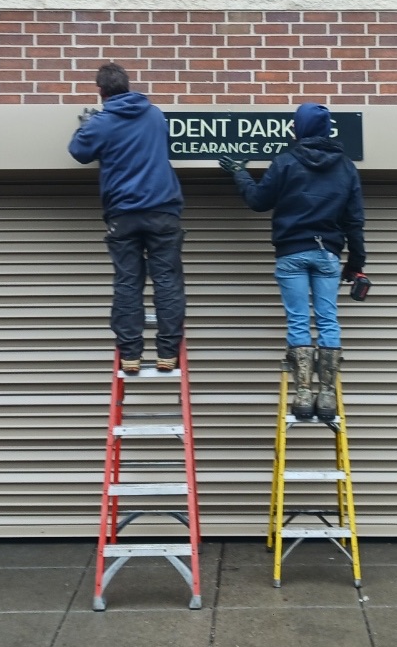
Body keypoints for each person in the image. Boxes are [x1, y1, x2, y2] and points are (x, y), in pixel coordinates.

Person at [220, 103, 365, 422]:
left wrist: (239, 173)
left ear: (299, 129)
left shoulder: (285, 162)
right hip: (327, 253)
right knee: (328, 320)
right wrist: (356, 264)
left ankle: (302, 395)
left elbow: (258, 201)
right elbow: (355, 221)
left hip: (291, 253)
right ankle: (326, 397)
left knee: (298, 320)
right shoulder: (345, 167)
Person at [68, 64, 186, 374]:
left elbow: (79, 151)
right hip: (163, 210)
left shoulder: (102, 123)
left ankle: (131, 355)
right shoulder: (155, 115)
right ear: (128, 85)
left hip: (124, 215)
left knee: (128, 284)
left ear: (101, 91)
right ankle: (168, 353)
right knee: (167, 282)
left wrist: (87, 124)